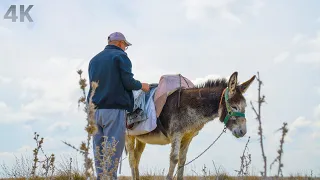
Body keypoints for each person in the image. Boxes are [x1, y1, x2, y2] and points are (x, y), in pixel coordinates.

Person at [87, 32, 150, 179]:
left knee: (99, 153)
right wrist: (142, 85)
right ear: (121, 43)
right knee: (112, 152)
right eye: (125, 45)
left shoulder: (94, 60)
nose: (125, 48)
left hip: (94, 111)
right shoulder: (121, 56)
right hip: (113, 110)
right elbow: (128, 82)